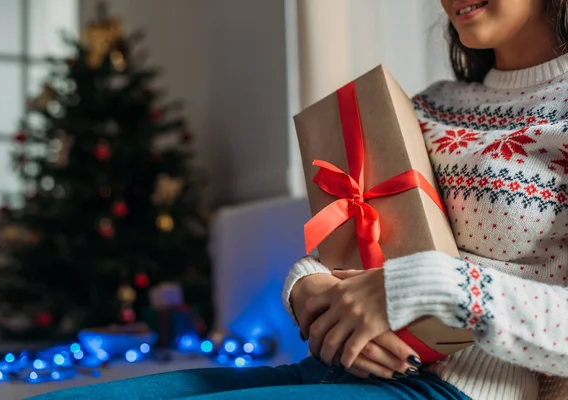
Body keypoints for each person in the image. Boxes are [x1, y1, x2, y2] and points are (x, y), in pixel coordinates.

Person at [32, 0, 568, 399]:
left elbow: (413, 280)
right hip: (340, 369)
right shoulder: (429, 105)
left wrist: (426, 285)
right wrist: (306, 286)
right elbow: (361, 245)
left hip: (453, 391)